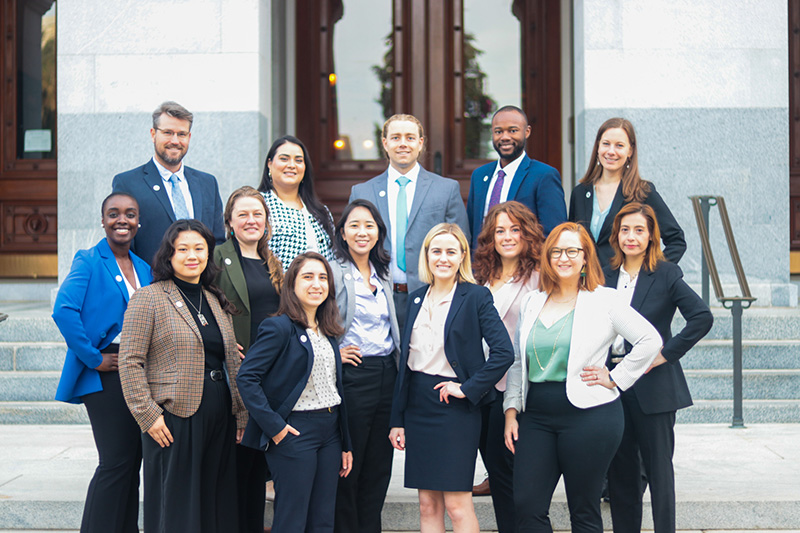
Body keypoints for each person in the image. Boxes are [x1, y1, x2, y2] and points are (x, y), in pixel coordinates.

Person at [503, 222, 661, 533]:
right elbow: (519, 362)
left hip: (590, 415)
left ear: (586, 257)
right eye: (556, 251)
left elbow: (650, 340)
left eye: (572, 251)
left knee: (584, 509)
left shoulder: (605, 300)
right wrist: (511, 411)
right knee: (527, 506)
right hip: (536, 415)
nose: (563, 258)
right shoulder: (533, 301)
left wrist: (616, 377)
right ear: (548, 257)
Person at [118, 219, 247, 533]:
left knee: (215, 501)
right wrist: (148, 415)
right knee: (176, 506)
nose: (193, 255)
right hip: (174, 415)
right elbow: (130, 361)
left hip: (220, 412)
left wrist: (241, 414)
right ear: (169, 255)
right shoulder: (149, 297)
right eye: (183, 249)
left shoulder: (214, 299)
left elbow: (232, 360)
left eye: (199, 248)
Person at [389, 223, 513, 533]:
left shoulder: (476, 296)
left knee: (457, 505)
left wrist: (468, 388)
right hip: (418, 407)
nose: (443, 258)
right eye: (436, 251)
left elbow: (503, 353)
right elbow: (405, 364)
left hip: (454, 410)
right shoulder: (415, 299)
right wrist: (397, 419)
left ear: (462, 257)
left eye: (450, 251)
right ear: (427, 256)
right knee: (427, 504)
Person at [604, 203, 713, 533]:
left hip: (654, 387)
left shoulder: (665, 273)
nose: (631, 237)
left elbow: (701, 317)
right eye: (625, 230)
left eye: (639, 230)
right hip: (613, 385)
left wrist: (665, 354)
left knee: (659, 472)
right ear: (616, 235)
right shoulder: (603, 274)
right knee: (621, 474)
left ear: (652, 236)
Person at [52, 193, 152, 533]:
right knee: (115, 461)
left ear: (138, 222)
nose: (122, 220)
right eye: (113, 214)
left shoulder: (144, 268)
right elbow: (63, 311)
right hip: (106, 371)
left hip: (137, 369)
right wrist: (93, 358)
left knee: (132, 462)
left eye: (129, 214)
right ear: (103, 221)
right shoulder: (89, 260)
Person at [237, 252, 353, 533]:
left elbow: (334, 389)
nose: (317, 284)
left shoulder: (327, 329)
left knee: (322, 519)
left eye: (323, 278)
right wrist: (275, 427)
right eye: (308, 277)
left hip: (330, 432)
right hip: (295, 430)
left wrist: (345, 443)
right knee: (293, 519)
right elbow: (247, 377)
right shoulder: (278, 327)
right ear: (292, 284)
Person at [350, 114, 470, 330]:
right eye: (396, 137)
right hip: (377, 298)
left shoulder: (446, 189)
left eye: (410, 137)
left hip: (433, 295)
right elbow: (350, 247)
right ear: (385, 143)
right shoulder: (362, 192)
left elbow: (462, 245)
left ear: (420, 143)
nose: (403, 143)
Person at [214, 186, 284, 533]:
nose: (251, 220)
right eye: (242, 214)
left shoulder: (273, 260)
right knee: (238, 464)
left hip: (272, 374)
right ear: (229, 222)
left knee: (258, 466)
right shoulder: (217, 257)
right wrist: (225, 342)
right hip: (239, 374)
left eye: (257, 214)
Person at [471, 201, 544, 532]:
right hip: (480, 386)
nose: (508, 236)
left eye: (515, 229)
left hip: (516, 388)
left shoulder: (539, 278)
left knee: (512, 473)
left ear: (528, 233)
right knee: (497, 473)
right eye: (500, 230)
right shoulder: (480, 276)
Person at [330, 199, 401, 533]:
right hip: (354, 375)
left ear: (378, 233)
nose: (362, 232)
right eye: (354, 225)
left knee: (378, 467)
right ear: (343, 233)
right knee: (350, 465)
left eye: (369, 225)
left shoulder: (383, 273)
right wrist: (335, 352)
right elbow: (311, 318)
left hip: (387, 374)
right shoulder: (332, 271)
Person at [112, 101, 226, 266]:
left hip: (200, 280)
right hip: (151, 279)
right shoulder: (127, 184)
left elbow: (218, 242)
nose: (175, 141)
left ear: (189, 137)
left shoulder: (208, 183)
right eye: (168, 133)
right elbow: (123, 246)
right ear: (153, 134)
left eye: (181, 134)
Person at [569, 118, 685, 268]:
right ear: (597, 147)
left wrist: (650, 274)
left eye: (619, 145)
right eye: (606, 144)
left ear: (630, 151)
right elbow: (572, 241)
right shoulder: (579, 193)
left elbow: (676, 241)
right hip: (586, 280)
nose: (611, 151)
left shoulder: (642, 192)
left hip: (623, 281)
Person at [467, 106, 567, 246]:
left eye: (513, 131)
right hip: (482, 259)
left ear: (527, 132)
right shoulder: (479, 175)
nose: (505, 137)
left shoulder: (544, 175)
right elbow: (472, 229)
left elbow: (553, 233)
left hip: (524, 259)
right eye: (498, 131)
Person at [257, 135, 336, 269]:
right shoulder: (259, 205)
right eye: (284, 159)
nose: (292, 165)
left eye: (298, 160)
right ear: (269, 164)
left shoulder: (321, 211)